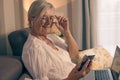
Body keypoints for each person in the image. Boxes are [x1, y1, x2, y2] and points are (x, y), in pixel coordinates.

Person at [22, 0, 92, 80]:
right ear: (31, 20)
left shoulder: (52, 37)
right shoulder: (34, 49)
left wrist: (66, 32)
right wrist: (71, 78)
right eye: (44, 18)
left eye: (51, 18)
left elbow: (74, 56)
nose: (48, 22)